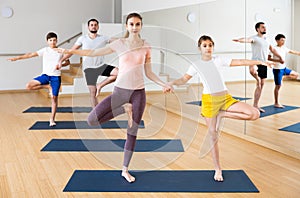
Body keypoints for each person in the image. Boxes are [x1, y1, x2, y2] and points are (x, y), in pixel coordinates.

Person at [55, 13, 173, 183]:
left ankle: (125, 169)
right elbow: (93, 53)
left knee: (132, 132)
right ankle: (125, 109)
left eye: (137, 24)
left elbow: (149, 72)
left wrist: (163, 84)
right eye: (131, 24)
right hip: (120, 92)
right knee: (92, 120)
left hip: (139, 93)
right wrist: (69, 51)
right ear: (126, 26)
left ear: (141, 26)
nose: (134, 27)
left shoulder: (146, 46)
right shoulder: (119, 44)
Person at [169, 35, 274, 182]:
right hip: (209, 102)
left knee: (254, 113)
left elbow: (241, 62)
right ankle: (218, 168)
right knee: (213, 136)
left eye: (210, 45)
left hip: (225, 98)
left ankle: (222, 114)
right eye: (205, 45)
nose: (208, 48)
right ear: (200, 48)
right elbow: (183, 79)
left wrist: (261, 61)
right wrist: (172, 83)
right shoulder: (196, 65)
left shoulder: (218, 60)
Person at [8, 32, 70, 126]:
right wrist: (17, 58)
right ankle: (47, 86)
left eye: (54, 40)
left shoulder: (61, 51)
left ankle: (52, 119)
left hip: (56, 77)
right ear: (47, 41)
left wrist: (61, 64)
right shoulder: (45, 50)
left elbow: (67, 62)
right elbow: (30, 55)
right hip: (45, 75)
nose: (52, 42)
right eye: (50, 40)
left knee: (54, 98)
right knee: (29, 86)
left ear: (57, 40)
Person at [58, 18, 118, 108]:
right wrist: (61, 61)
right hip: (89, 69)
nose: (93, 27)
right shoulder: (82, 39)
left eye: (95, 25)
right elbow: (72, 51)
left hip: (100, 66)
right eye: (92, 25)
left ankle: (100, 85)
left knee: (117, 73)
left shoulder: (104, 38)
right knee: (93, 94)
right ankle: (96, 114)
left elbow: (118, 40)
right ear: (88, 27)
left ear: (98, 26)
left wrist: (129, 38)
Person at [233, 22, 283, 112]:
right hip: (255, 62)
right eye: (263, 27)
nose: (265, 29)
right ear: (258, 29)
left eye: (265, 27)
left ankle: (255, 105)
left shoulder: (267, 39)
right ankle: (257, 78)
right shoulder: (254, 38)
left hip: (263, 64)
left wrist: (280, 57)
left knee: (260, 85)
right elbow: (247, 40)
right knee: (254, 74)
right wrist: (240, 40)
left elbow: (272, 49)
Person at [268, 33, 299, 108]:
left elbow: (293, 52)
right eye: (282, 40)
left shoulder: (284, 48)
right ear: (277, 40)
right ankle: (276, 103)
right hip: (277, 70)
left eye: (284, 40)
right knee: (278, 87)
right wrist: (278, 61)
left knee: (297, 75)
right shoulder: (273, 48)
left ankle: (283, 77)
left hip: (284, 68)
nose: (283, 42)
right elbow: (268, 58)